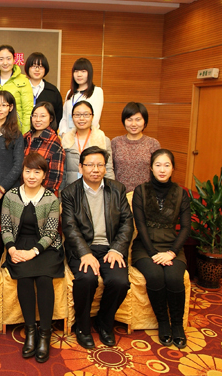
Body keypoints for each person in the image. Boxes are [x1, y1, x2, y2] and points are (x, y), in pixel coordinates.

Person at [61, 146, 134, 350]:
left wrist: (117, 249)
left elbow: (127, 222)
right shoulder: (70, 193)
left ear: (105, 167)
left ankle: (105, 322)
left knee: (120, 282)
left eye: (100, 165)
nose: (95, 169)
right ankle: (83, 327)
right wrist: (85, 253)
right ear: (81, 167)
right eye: (90, 165)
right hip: (82, 248)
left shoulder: (117, 189)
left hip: (110, 248)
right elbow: (70, 227)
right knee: (86, 278)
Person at [1, 152, 63, 363]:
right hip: (18, 245)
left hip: (45, 247)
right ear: (22, 172)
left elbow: (51, 232)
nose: (32, 176)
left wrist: (33, 252)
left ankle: (44, 333)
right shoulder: (11, 196)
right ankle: (30, 331)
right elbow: (5, 227)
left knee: (44, 279)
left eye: (37, 172)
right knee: (24, 278)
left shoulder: (51, 198)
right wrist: (11, 250)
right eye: (28, 171)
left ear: (44, 175)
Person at [132, 149, 190, 349]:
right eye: (158, 165)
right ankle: (163, 323)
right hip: (145, 246)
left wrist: (172, 252)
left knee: (174, 278)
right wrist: (153, 254)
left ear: (173, 168)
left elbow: (186, 227)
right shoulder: (141, 191)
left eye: (166, 165)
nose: (162, 169)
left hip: (172, 246)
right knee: (155, 275)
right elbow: (140, 225)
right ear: (151, 167)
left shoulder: (181, 193)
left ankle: (177, 325)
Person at [60, 101, 114, 190]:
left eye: (86, 115)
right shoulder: (65, 140)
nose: (81, 118)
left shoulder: (102, 140)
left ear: (92, 116)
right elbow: (63, 172)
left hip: (96, 189)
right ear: (72, 117)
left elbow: (108, 169)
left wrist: (111, 191)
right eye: (77, 115)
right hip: (72, 190)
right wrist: (61, 193)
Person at [111, 102, 161, 193]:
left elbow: (157, 172)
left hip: (145, 195)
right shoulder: (115, 142)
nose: (133, 124)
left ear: (145, 121)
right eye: (129, 119)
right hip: (119, 194)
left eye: (138, 119)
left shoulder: (153, 143)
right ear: (124, 121)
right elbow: (110, 170)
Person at [0, 45, 34, 134]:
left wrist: (25, 134)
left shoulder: (23, 81)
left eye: (8, 58)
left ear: (14, 59)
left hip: (15, 130)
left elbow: (27, 111)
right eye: (1, 59)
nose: (5, 63)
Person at [23, 102, 65, 195]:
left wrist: (42, 197)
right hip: (23, 192)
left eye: (43, 116)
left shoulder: (54, 142)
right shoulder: (25, 137)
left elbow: (54, 178)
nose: (38, 119)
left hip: (43, 196)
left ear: (51, 119)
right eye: (35, 116)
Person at [58, 58, 104, 137]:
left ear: (89, 73)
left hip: (87, 137)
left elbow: (95, 119)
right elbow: (64, 117)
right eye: (76, 71)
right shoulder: (70, 92)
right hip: (69, 137)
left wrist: (79, 136)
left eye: (83, 71)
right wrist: (63, 133)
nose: (79, 74)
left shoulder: (97, 91)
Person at [25, 52, 63, 126]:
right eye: (33, 66)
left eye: (41, 67)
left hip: (46, 132)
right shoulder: (20, 88)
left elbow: (58, 115)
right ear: (28, 68)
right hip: (23, 131)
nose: (37, 70)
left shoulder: (53, 91)